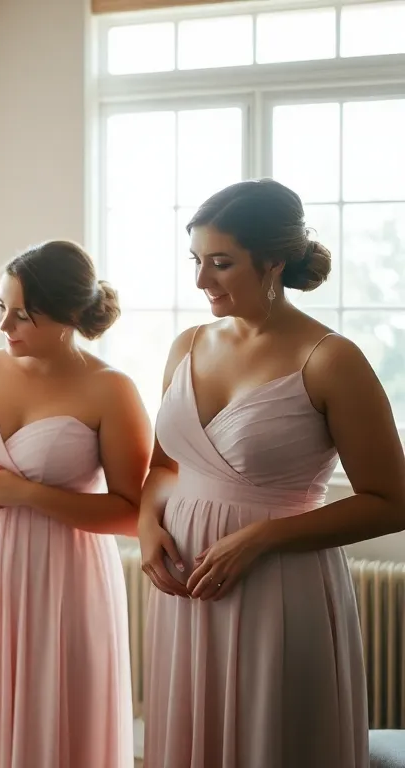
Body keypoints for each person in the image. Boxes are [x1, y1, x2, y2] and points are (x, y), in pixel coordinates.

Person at [141, 179, 405, 768]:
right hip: (187, 589)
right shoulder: (186, 345)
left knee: (273, 742)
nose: (202, 281)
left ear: (274, 261)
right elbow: (164, 465)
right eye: (197, 261)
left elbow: (393, 500)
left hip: (280, 590)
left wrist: (262, 537)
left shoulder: (331, 359)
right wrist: (147, 525)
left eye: (221, 263)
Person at [0, 241, 145, 768]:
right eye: (0, 306)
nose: (4, 325)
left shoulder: (110, 389)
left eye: (22, 314)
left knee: (55, 711)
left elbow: (134, 512)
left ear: (69, 315)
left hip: (61, 572)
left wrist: (28, 494)